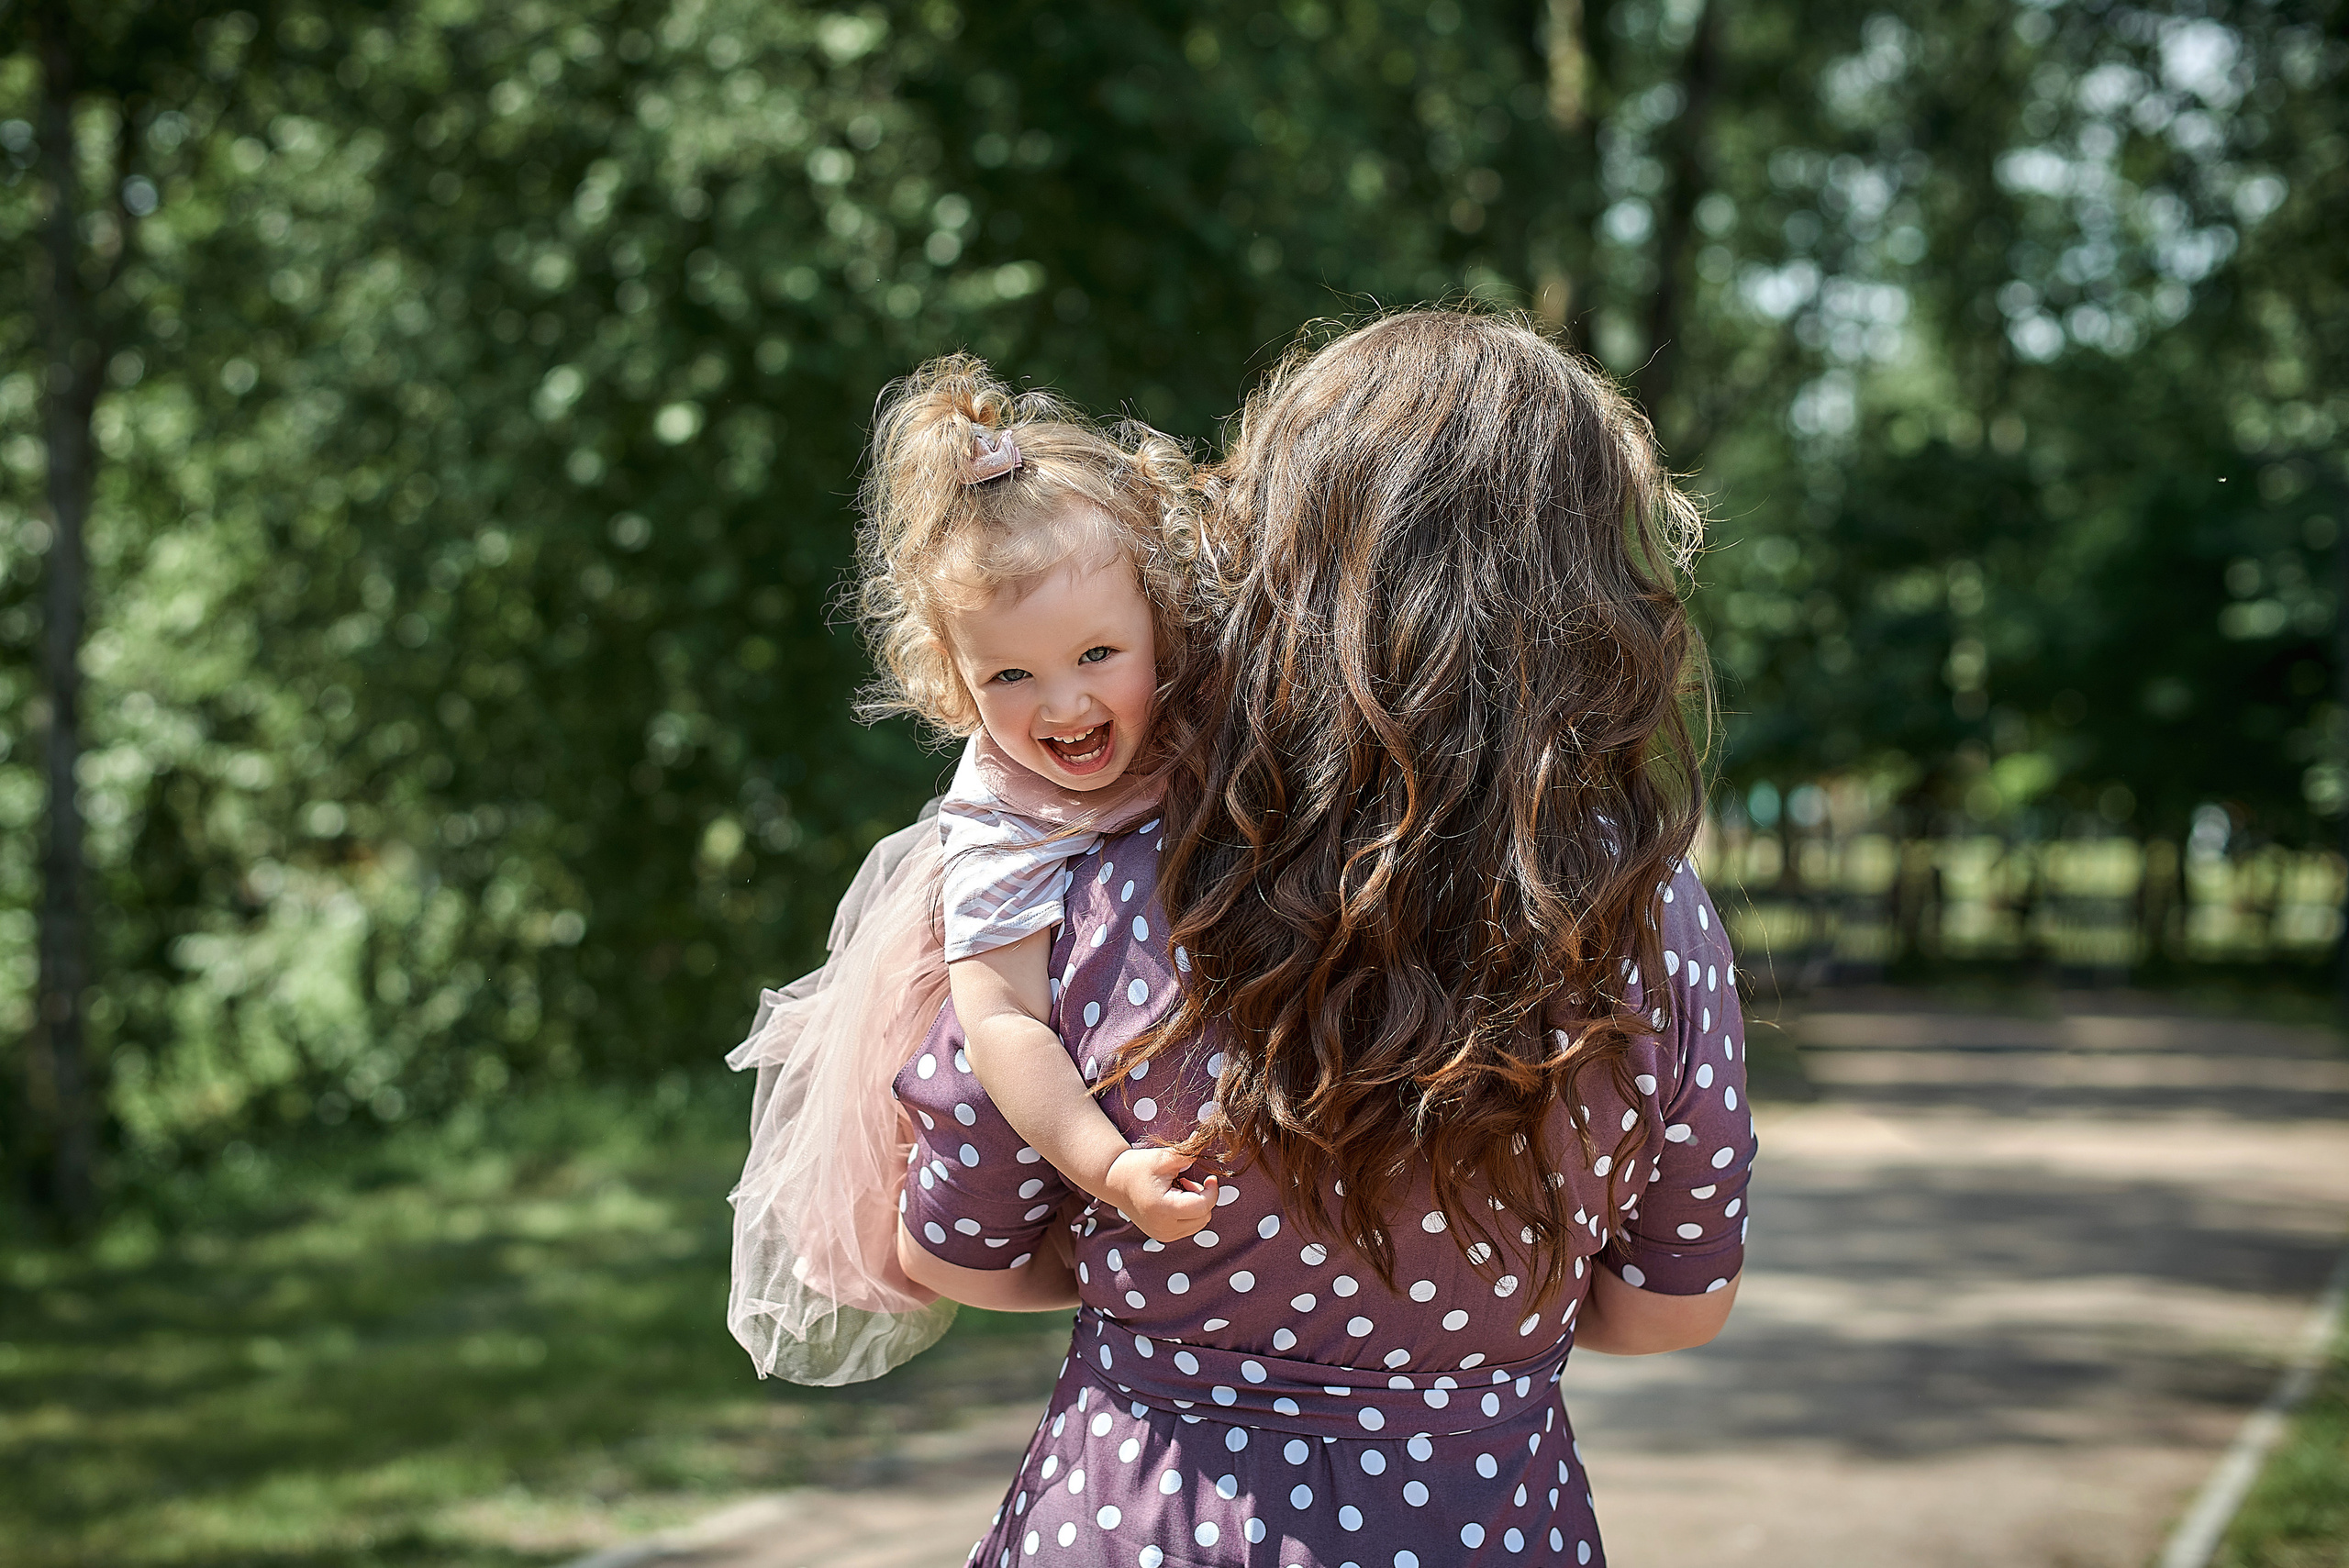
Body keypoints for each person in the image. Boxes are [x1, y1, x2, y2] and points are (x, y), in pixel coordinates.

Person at [896, 309, 1755, 1565]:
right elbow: (1669, 1311)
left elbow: (959, 1252)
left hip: (1139, 1516)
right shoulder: (1648, 914)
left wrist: (1174, 1320)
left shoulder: (1091, 876)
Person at [726, 355, 1221, 1385]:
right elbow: (1004, 1026)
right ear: (952, 677)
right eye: (1009, 675)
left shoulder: (1207, 689)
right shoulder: (997, 814)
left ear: (1161, 621)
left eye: (1097, 655)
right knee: (969, 1181)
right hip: (1001, 993)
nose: (1063, 706)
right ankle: (1076, 1267)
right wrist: (1108, 1166)